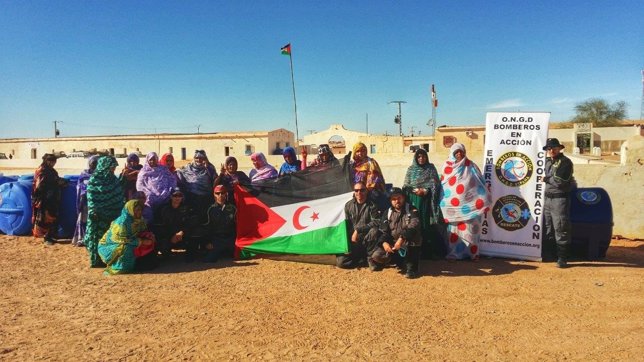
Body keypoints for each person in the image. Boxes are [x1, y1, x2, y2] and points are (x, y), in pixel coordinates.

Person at [439, 143, 491, 262]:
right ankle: (454, 254)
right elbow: (444, 185)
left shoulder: (471, 165)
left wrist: (484, 195)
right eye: (456, 152)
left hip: (472, 206)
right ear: (452, 153)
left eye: (461, 151)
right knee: (454, 233)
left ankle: (473, 254)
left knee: (472, 232)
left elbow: (480, 181)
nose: (459, 154)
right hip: (453, 208)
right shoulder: (447, 167)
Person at [402, 148, 444, 259]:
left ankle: (426, 252)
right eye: (419, 156)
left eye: (423, 156)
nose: (421, 158)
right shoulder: (411, 169)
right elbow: (406, 186)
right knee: (413, 222)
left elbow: (435, 184)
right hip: (413, 200)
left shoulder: (431, 168)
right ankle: (413, 251)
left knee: (425, 224)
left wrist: (425, 191)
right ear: (416, 158)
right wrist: (416, 191)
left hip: (426, 201)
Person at [371, 188, 422, 278]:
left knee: (416, 237)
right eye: (394, 199)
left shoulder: (412, 209)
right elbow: (384, 230)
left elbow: (414, 226)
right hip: (394, 244)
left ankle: (412, 268)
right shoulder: (387, 212)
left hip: (407, 243)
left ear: (403, 198)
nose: (397, 201)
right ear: (390, 200)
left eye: (399, 198)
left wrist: (401, 239)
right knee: (377, 255)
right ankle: (395, 261)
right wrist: (384, 243)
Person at [98, 199, 157, 275]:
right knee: (127, 248)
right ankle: (120, 268)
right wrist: (141, 241)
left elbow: (143, 231)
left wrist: (150, 237)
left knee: (150, 241)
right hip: (110, 245)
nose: (139, 212)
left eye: (140, 210)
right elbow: (122, 239)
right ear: (130, 210)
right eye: (136, 210)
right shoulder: (122, 223)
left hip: (132, 240)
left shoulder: (139, 219)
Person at [86, 156, 125, 267]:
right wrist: (94, 210)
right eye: (111, 168)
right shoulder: (94, 180)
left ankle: (110, 258)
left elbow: (118, 192)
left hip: (114, 215)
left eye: (114, 168)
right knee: (98, 238)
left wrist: (124, 179)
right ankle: (97, 260)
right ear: (104, 167)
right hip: (98, 216)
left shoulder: (113, 179)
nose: (113, 170)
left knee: (112, 238)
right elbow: (91, 197)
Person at [542, 138, 575, 268]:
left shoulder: (566, 162)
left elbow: (560, 181)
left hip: (559, 199)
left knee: (560, 227)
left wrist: (546, 178)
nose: (551, 151)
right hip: (547, 199)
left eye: (554, 148)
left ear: (559, 148)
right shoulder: (546, 162)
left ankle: (562, 258)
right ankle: (550, 255)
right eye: (549, 148)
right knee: (548, 227)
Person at [336, 181, 381, 269]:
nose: (359, 192)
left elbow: (376, 221)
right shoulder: (348, 205)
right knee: (341, 263)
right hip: (353, 239)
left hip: (367, 238)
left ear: (366, 191)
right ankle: (360, 260)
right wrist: (346, 243)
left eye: (362, 190)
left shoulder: (373, 205)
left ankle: (369, 257)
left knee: (374, 230)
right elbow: (346, 223)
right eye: (356, 190)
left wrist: (358, 230)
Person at [31, 153, 67, 245]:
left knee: (52, 217)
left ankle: (50, 236)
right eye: (53, 162)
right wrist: (59, 182)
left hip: (51, 198)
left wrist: (61, 181)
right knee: (45, 218)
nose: (54, 164)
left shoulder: (50, 170)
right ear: (48, 161)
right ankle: (46, 238)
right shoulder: (42, 170)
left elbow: (55, 179)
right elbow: (40, 185)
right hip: (44, 198)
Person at [136, 152, 177, 223]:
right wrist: (148, 193)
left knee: (164, 214)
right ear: (147, 160)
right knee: (149, 214)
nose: (152, 161)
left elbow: (172, 179)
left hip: (165, 196)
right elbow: (139, 185)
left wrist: (168, 190)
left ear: (157, 159)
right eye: (150, 160)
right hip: (149, 198)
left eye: (154, 159)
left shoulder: (163, 169)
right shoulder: (143, 171)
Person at [201, 185, 237, 262]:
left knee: (240, 255)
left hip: (230, 238)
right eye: (217, 193)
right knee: (208, 260)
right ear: (214, 194)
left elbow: (236, 225)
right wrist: (207, 242)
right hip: (216, 238)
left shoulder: (233, 208)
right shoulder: (210, 209)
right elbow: (206, 227)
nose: (220, 195)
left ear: (226, 193)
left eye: (222, 193)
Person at [153, 187, 190, 258]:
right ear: (171, 197)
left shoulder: (186, 208)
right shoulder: (163, 209)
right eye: (175, 195)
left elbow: (189, 223)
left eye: (179, 196)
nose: (177, 198)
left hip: (181, 234)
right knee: (163, 245)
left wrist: (182, 232)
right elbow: (159, 225)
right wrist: (171, 236)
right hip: (168, 234)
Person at [177, 150, 217, 215]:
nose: (199, 160)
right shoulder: (188, 167)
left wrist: (208, 168)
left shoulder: (209, 167)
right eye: (196, 158)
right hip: (191, 197)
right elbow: (179, 172)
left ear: (205, 158)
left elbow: (215, 180)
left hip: (206, 198)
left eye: (201, 158)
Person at [71, 155, 99, 247]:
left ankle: (92, 238)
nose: (93, 165)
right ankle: (81, 238)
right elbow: (79, 187)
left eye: (95, 163)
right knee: (83, 220)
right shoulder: (84, 175)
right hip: (85, 202)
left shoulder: (100, 175)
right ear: (89, 164)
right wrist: (83, 196)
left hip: (96, 202)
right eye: (92, 163)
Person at [351, 142, 387, 210]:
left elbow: (374, 178)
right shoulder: (353, 164)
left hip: (370, 193)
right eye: (357, 151)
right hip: (357, 193)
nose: (360, 153)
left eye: (362, 151)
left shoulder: (371, 162)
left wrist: (364, 191)